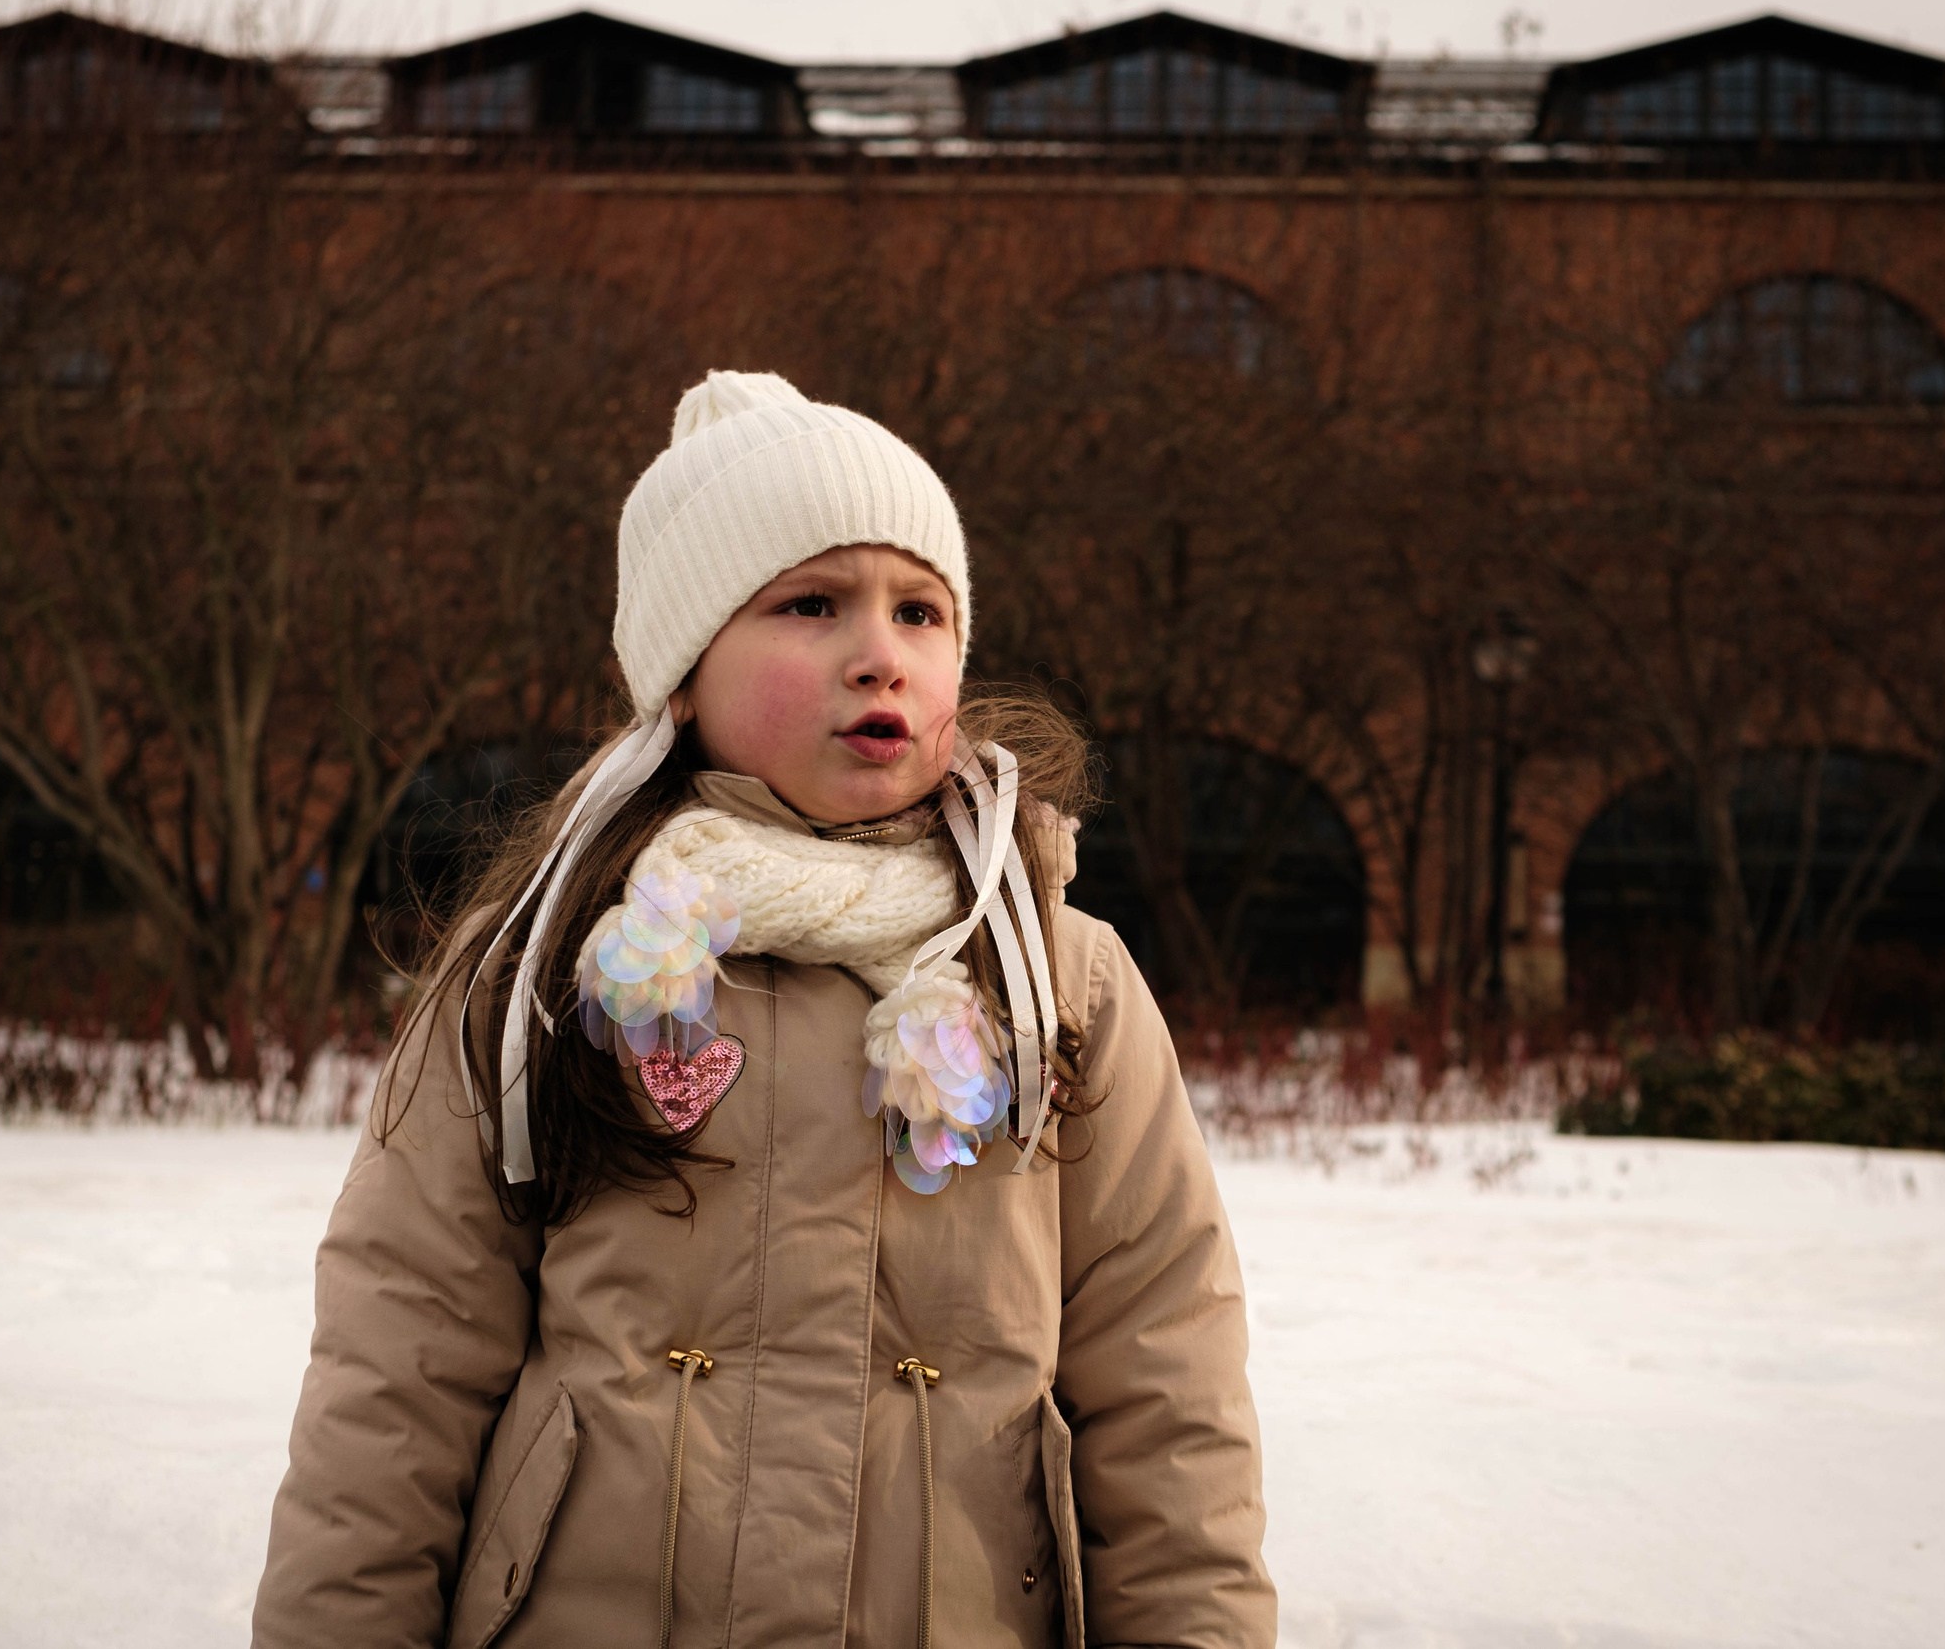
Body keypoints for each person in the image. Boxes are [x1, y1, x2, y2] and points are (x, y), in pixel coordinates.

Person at [253, 370, 1272, 1648]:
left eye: (919, 610)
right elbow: (400, 1363)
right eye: (810, 603)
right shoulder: (546, 961)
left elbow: (1168, 1383)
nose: (879, 652)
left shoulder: (1051, 974)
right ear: (684, 675)